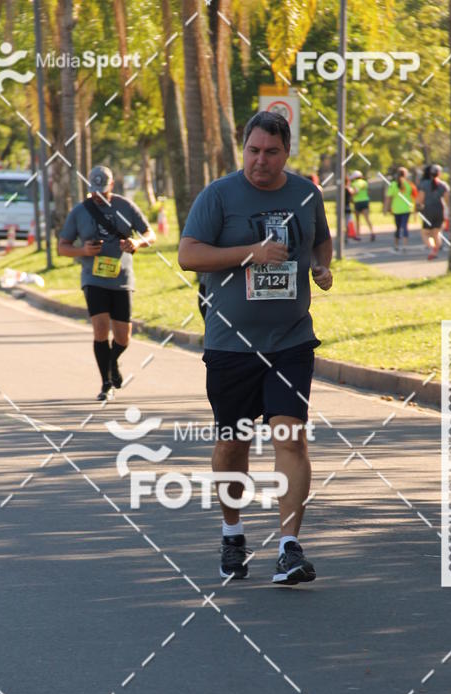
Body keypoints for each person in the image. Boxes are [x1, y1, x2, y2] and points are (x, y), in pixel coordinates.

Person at [178, 111, 333, 586]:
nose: (260, 160)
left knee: (291, 437)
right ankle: (232, 532)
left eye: (271, 152)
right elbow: (188, 254)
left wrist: (321, 268)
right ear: (243, 148)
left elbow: (321, 242)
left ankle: (289, 548)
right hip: (232, 345)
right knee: (233, 444)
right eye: (253, 150)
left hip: (291, 340)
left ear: (287, 153)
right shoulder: (219, 195)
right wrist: (251, 253)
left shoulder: (306, 193)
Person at [58, 165, 156, 400]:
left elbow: (149, 234)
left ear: (112, 186)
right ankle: (106, 384)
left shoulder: (125, 206)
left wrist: (136, 243)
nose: (98, 196)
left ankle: (112, 363)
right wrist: (83, 251)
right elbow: (62, 247)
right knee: (100, 328)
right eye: (94, 191)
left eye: (103, 191)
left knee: (123, 337)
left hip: (121, 278)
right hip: (93, 278)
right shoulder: (80, 211)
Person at [418, 163, 449, 260]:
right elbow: (447, 200)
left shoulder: (424, 184)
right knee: (436, 233)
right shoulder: (443, 185)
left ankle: (431, 249)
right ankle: (435, 251)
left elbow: (420, 200)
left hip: (428, 210)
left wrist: (418, 207)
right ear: (439, 173)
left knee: (425, 232)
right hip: (439, 210)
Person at [384, 167, 413, 252]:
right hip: (406, 209)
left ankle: (396, 245)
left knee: (398, 227)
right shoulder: (408, 184)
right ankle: (405, 245)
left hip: (397, 209)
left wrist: (386, 208)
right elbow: (412, 195)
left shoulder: (393, 184)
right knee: (405, 227)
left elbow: (388, 197)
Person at [350, 170, 375, 241]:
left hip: (357, 202)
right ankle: (372, 232)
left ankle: (358, 234)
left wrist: (351, 196)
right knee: (367, 218)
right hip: (365, 201)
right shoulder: (365, 182)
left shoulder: (354, 183)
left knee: (357, 219)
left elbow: (355, 192)